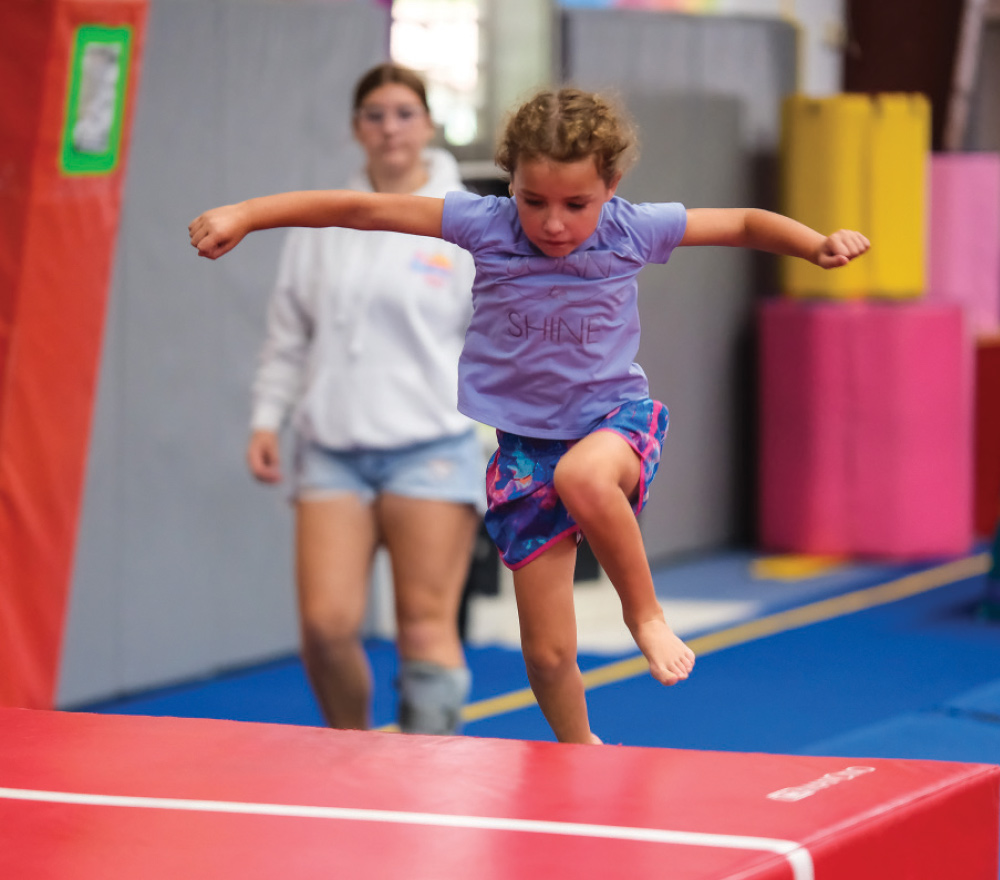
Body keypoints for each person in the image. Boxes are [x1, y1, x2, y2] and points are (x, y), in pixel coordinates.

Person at [190, 87, 871, 744]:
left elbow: (745, 223)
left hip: (614, 428)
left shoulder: (634, 228)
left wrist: (814, 245)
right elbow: (360, 210)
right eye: (532, 200)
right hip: (524, 452)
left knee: (582, 477)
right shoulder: (483, 224)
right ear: (509, 180)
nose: (552, 223)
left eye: (576, 204)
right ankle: (582, 753)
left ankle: (647, 615)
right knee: (545, 655)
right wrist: (247, 213)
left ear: (612, 183)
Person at [244, 63, 482, 736]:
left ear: (428, 124)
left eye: (404, 112)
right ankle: (351, 759)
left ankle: (427, 776)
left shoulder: (466, 224)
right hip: (332, 447)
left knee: (424, 626)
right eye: (375, 114)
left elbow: (497, 341)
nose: (390, 128)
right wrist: (268, 416)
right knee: (325, 626)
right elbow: (289, 331)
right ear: (357, 129)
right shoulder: (321, 222)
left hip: (430, 446)